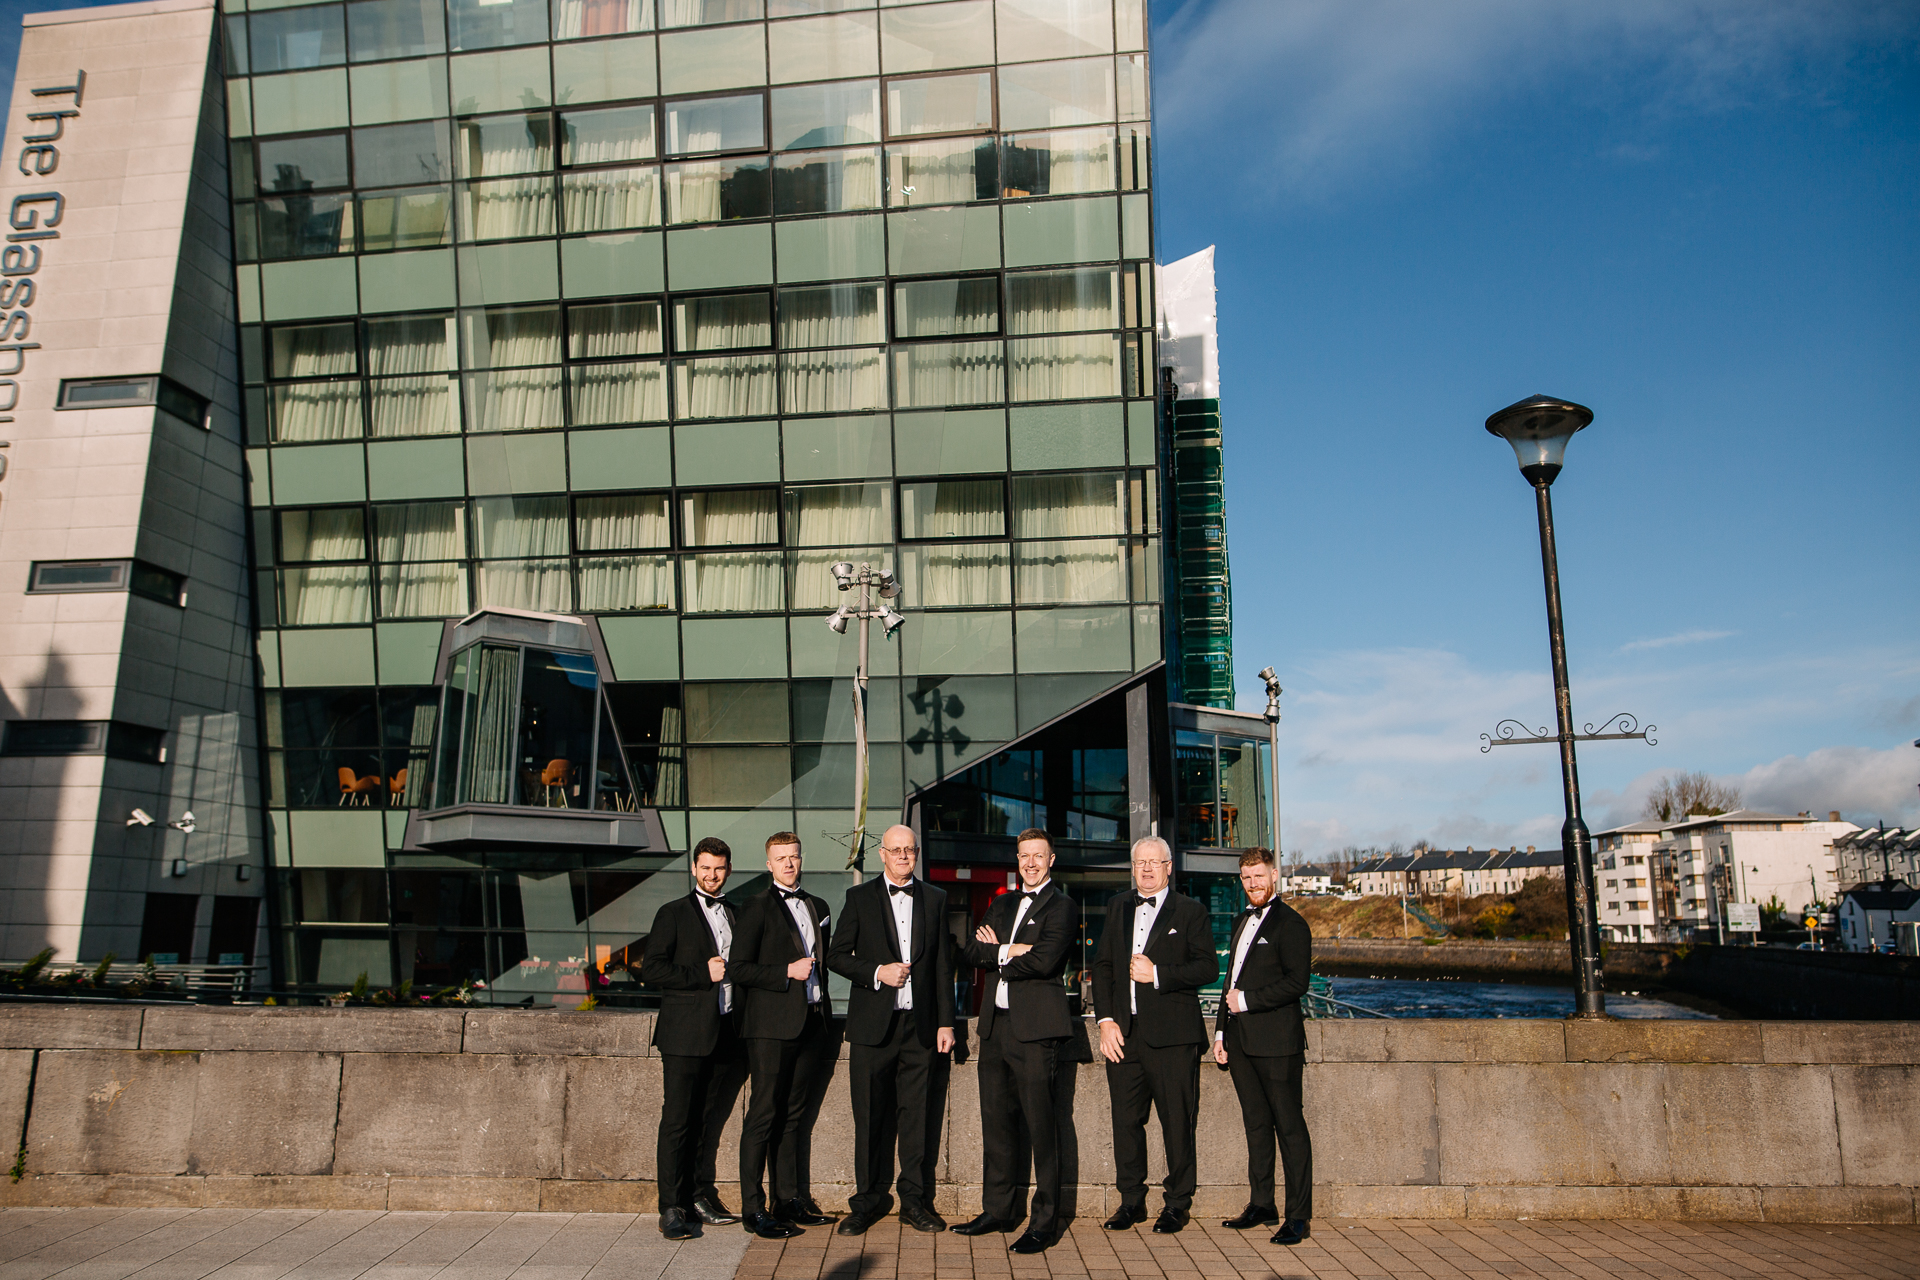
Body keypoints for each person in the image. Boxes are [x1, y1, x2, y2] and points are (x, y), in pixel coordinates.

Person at [826, 823, 956, 1235]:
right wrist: (877, 972)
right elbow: (835, 956)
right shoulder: (859, 897)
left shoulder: (936, 899)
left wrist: (947, 1022)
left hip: (920, 1028)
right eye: (895, 850)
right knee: (869, 1118)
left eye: (910, 850)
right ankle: (865, 1203)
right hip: (871, 1029)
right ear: (881, 854)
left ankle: (914, 1203)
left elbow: (941, 965)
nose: (903, 856)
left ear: (917, 854)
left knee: (917, 1119)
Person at [952, 828, 1076, 1254]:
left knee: (1043, 1129)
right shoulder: (1001, 903)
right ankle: (999, 1210)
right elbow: (970, 952)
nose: (1030, 863)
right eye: (1024, 856)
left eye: (1038, 856)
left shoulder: (1063, 906)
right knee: (997, 1126)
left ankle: (1045, 1222)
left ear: (1051, 860)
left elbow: (1046, 961)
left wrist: (1000, 951)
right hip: (995, 1029)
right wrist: (1013, 948)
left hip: (1037, 1031)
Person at [1090, 834, 1219, 1234]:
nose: (1146, 869)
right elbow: (1104, 966)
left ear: (1168, 868)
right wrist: (1105, 1020)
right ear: (1133, 868)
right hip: (1123, 1034)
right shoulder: (1117, 906)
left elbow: (1207, 969)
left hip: (1174, 1038)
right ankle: (1131, 1202)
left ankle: (1177, 1203)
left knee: (1177, 1123)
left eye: (1154, 862)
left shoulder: (1191, 911)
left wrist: (1158, 975)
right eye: (1139, 862)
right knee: (1125, 1122)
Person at [729, 831, 839, 1239]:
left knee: (794, 1116)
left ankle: (788, 1200)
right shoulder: (755, 907)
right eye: (781, 858)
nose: (789, 864)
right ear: (769, 863)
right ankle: (753, 1209)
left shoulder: (819, 905)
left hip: (812, 1023)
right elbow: (737, 968)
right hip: (771, 1029)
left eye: (793, 857)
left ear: (800, 858)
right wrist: (784, 973)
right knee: (762, 1116)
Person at [640, 836, 749, 1240]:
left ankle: (700, 1196)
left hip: (726, 1032)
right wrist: (704, 974)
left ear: (728, 870)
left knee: (708, 1120)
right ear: (694, 869)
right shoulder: (671, 913)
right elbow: (652, 969)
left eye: (719, 868)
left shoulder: (737, 913)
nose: (712, 875)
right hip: (684, 1035)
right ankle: (671, 1206)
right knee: (677, 1121)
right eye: (705, 867)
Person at [1212, 847, 1314, 1246]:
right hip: (1239, 1042)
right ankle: (1261, 1204)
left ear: (1274, 876)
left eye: (1259, 876)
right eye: (1246, 878)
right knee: (1255, 1124)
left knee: (1290, 1128)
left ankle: (1298, 1216)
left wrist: (1248, 1001)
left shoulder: (1293, 925)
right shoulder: (1240, 920)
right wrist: (1221, 1032)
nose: (1252, 884)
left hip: (1278, 1044)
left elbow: (1297, 983)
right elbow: (1229, 984)